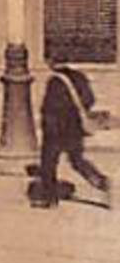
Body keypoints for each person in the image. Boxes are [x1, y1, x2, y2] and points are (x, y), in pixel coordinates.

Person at [32, 53, 111, 209]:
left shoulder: (55, 81)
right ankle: (102, 182)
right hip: (75, 128)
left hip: (56, 129)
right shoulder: (79, 77)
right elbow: (90, 99)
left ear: (51, 62)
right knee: (77, 160)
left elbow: (50, 108)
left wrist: (47, 126)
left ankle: (48, 198)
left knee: (48, 162)